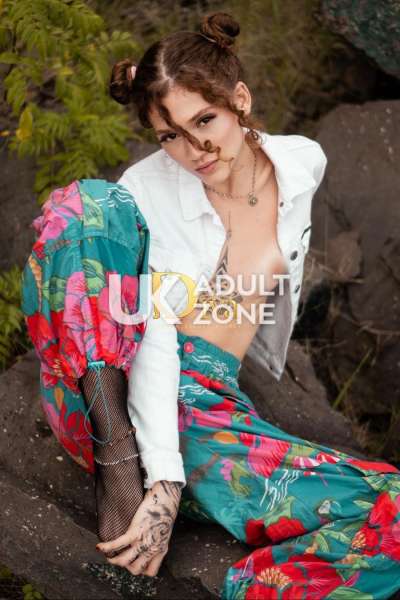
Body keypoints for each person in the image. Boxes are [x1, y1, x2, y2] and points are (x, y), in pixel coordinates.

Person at [22, 11, 400, 599]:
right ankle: (118, 466)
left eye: (205, 120)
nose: (194, 149)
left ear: (239, 100)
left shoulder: (302, 162)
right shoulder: (147, 188)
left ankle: (250, 590)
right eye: (169, 135)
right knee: (91, 204)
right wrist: (162, 480)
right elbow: (152, 332)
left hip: (214, 405)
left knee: (392, 506)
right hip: (120, 386)